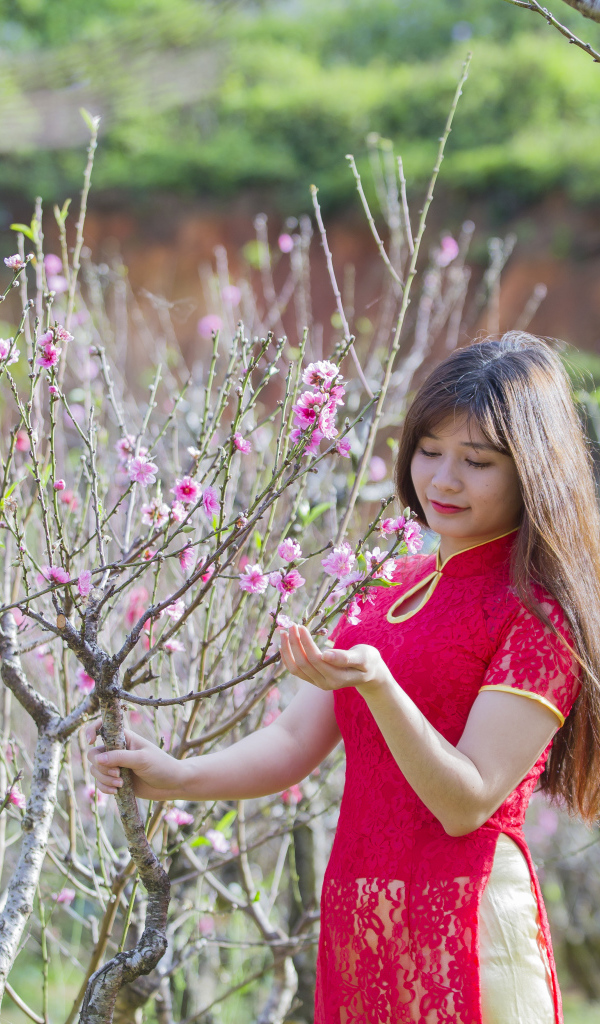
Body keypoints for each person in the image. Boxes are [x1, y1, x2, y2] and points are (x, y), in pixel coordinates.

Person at [87, 332, 600, 1024]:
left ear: (534, 470)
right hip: (364, 921)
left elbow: (467, 802)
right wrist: (175, 774)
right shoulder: (391, 590)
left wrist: (379, 685)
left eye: (477, 461)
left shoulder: (538, 613)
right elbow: (295, 740)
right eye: (429, 451)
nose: (443, 480)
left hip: (469, 923)